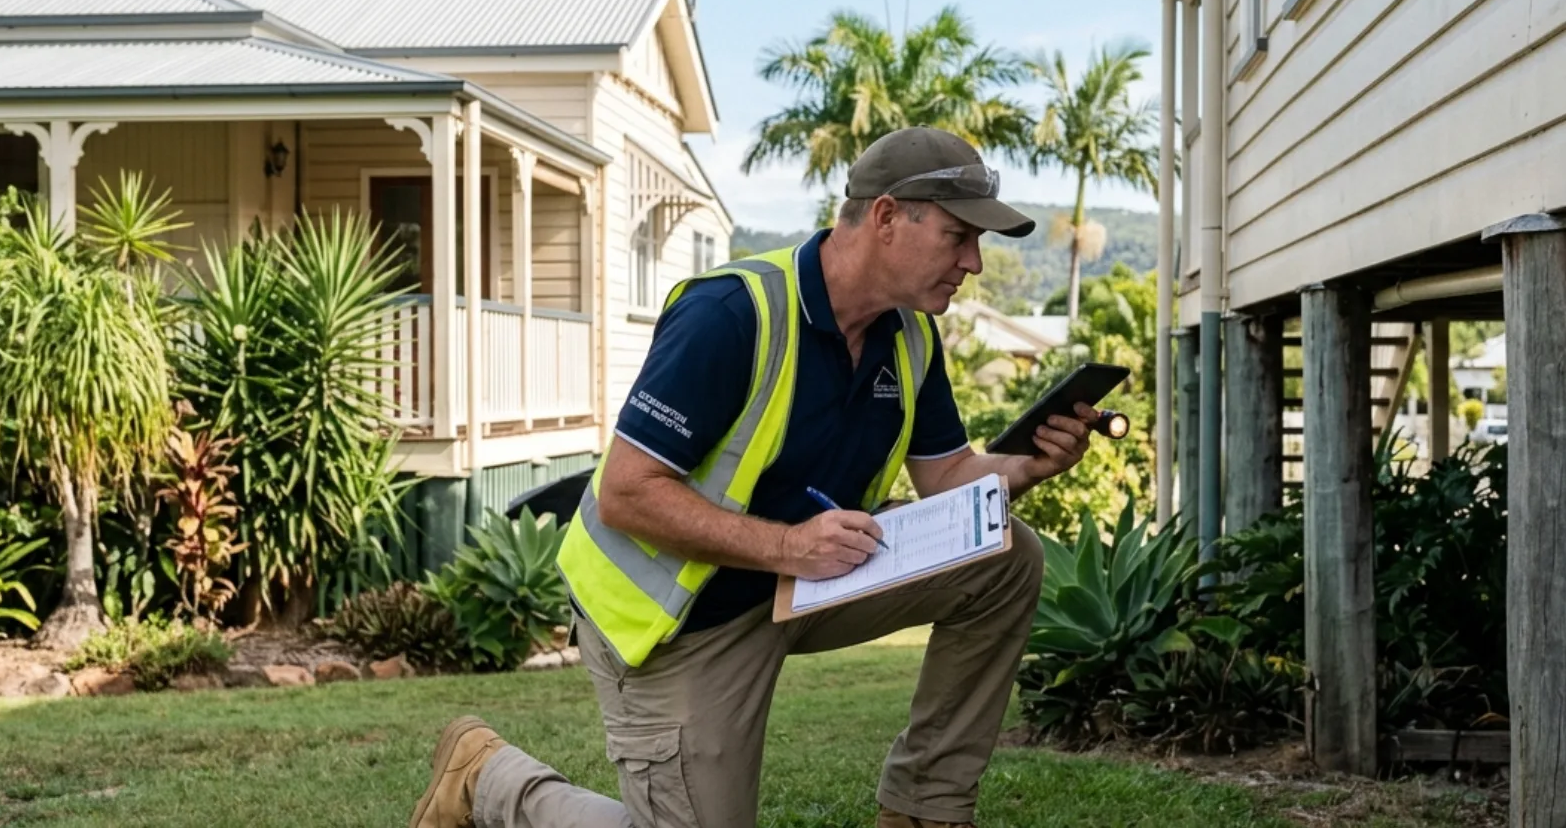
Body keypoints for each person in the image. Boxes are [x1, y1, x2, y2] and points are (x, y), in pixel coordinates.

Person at [409, 127, 1102, 828]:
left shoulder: (910, 336)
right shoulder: (730, 315)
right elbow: (625, 492)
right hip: (681, 620)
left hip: (806, 581)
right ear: (888, 217)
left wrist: (1024, 466)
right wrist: (790, 546)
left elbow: (948, 475)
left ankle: (924, 809)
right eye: (959, 236)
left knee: (1004, 556)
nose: (974, 262)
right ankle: (487, 778)